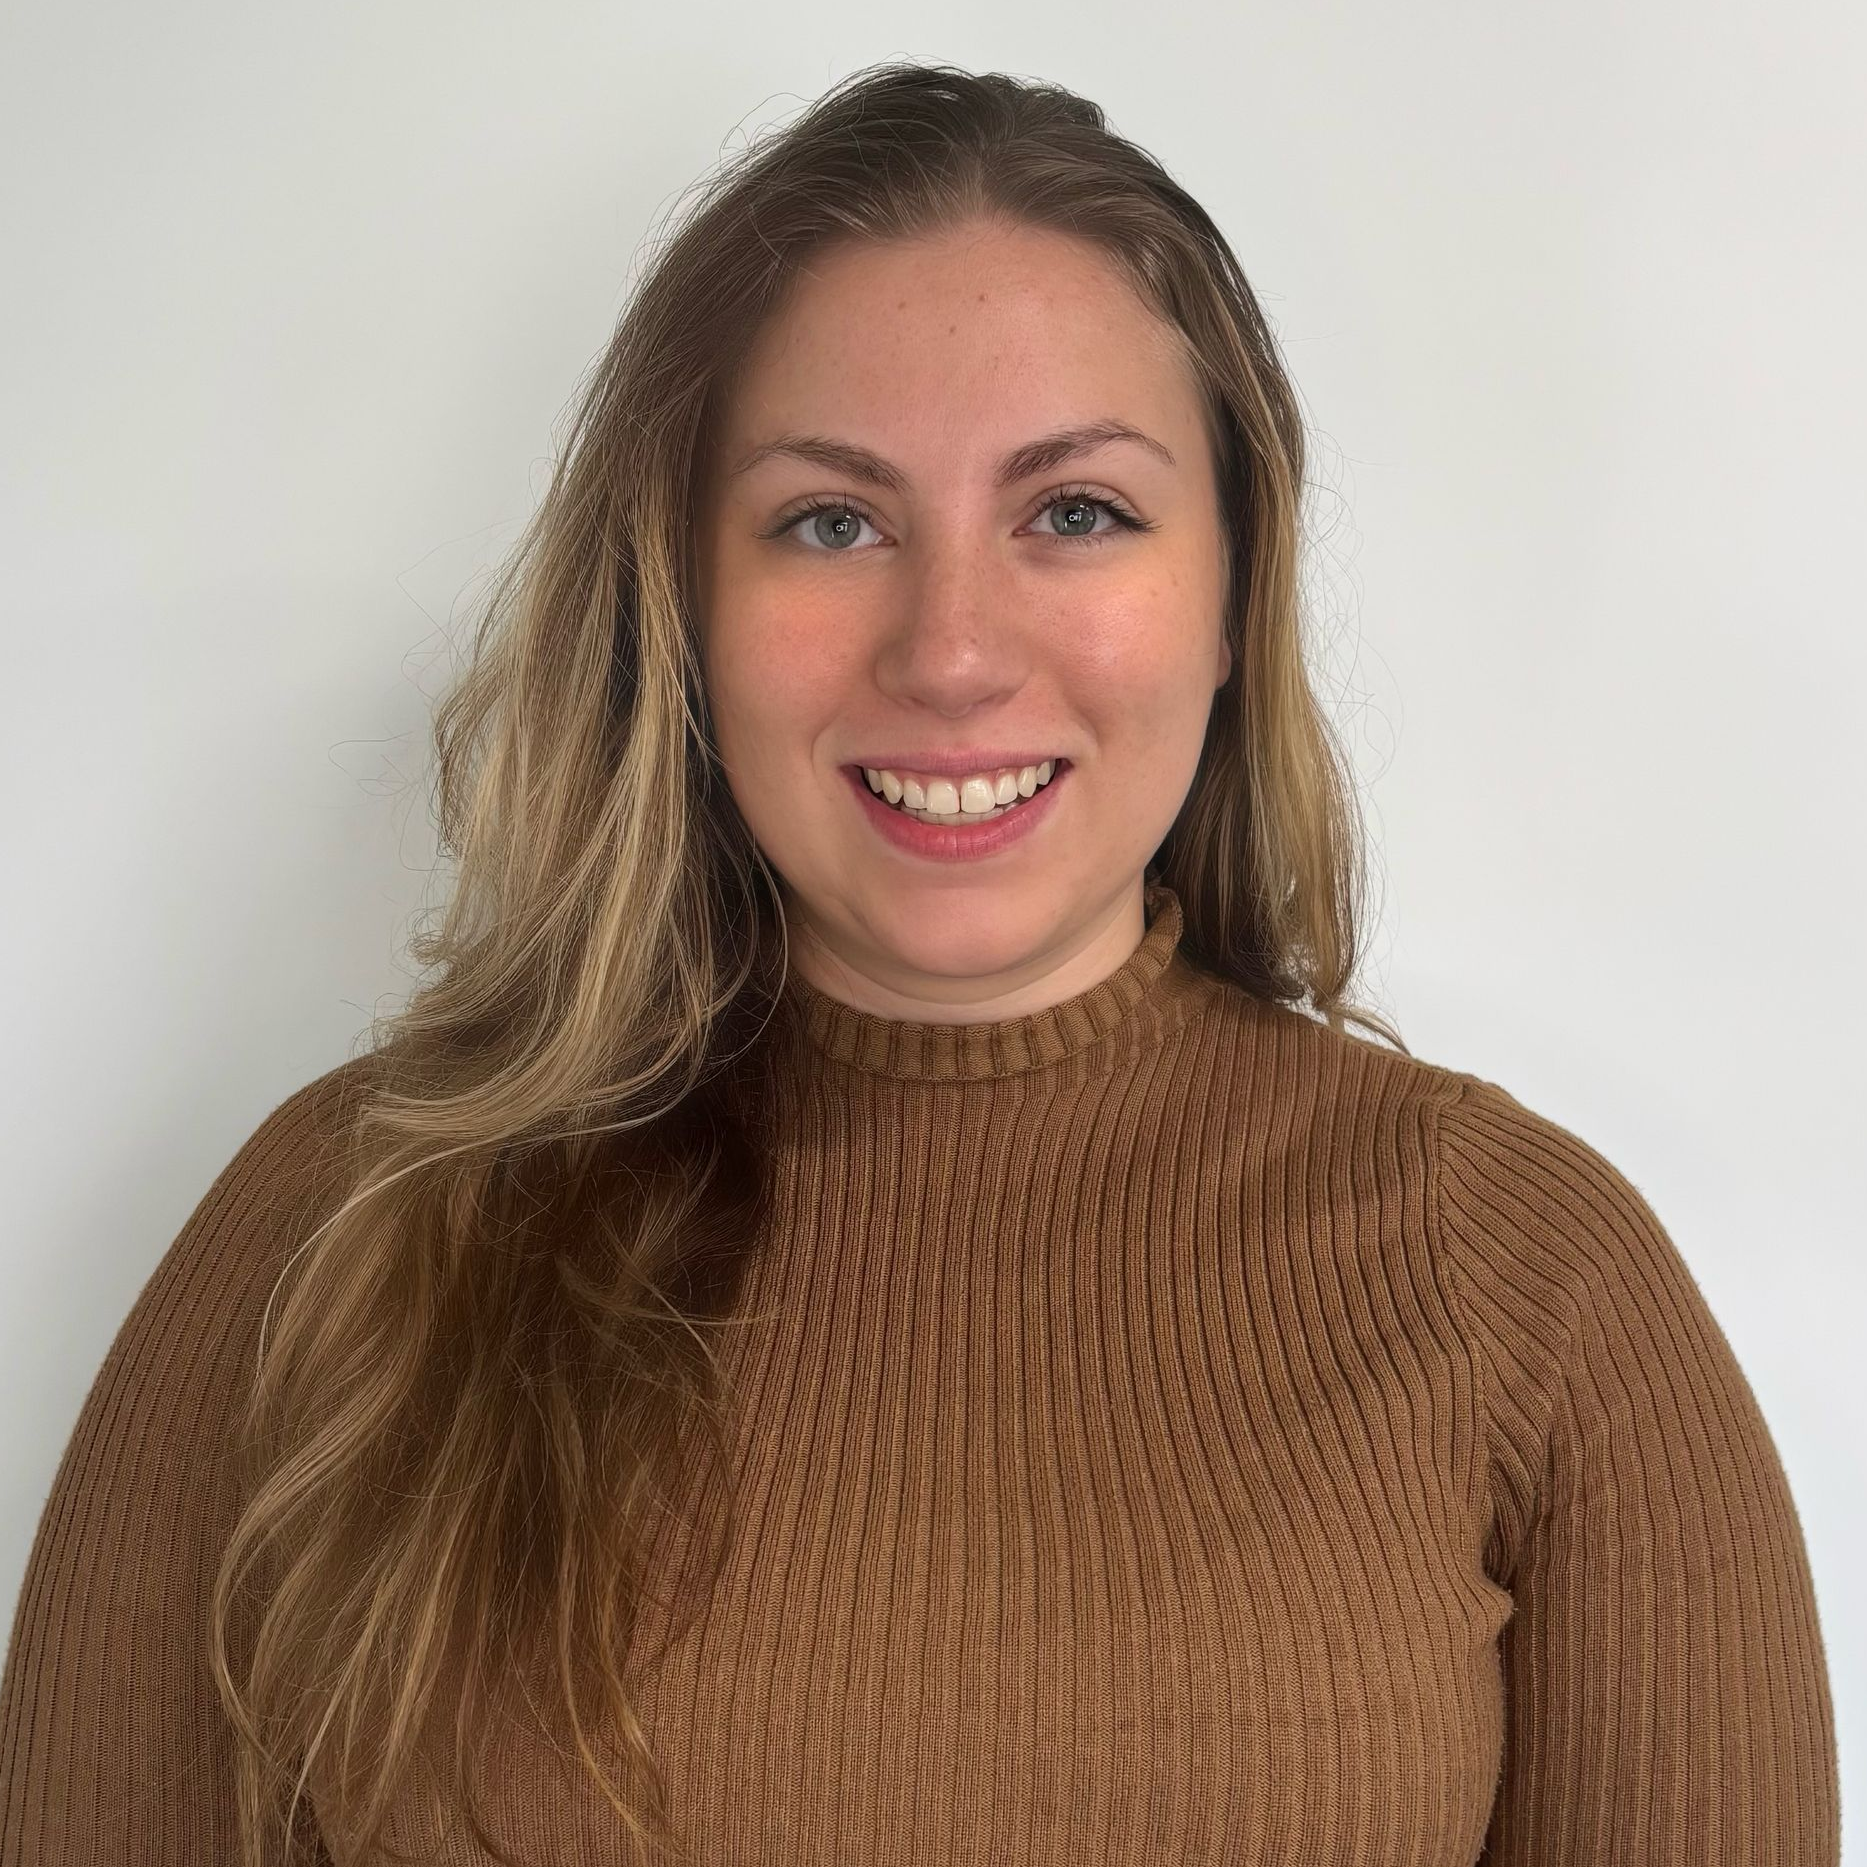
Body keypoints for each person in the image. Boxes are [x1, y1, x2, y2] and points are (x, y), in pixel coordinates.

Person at [0, 59, 1839, 1867]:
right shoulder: (338, 1233)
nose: (950, 650)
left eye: (1075, 512)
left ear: (1231, 591)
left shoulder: (1532, 1284)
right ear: (681, 609)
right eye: (831, 520)